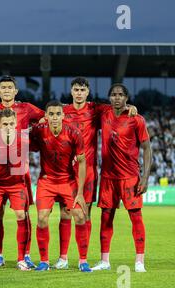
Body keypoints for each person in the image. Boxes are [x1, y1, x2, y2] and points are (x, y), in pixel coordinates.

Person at [54, 77, 138, 270]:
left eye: (82, 90)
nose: (79, 93)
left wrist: (130, 106)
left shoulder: (96, 110)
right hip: (66, 170)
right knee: (65, 213)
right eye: (76, 89)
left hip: (88, 170)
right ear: (71, 91)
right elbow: (49, 118)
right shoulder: (63, 111)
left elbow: (117, 107)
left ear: (88, 92)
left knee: (85, 214)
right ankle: (63, 258)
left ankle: (83, 258)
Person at [0, 75, 45, 268]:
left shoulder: (26, 108)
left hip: (19, 170)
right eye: (3, 87)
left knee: (23, 213)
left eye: (10, 87)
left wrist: (34, 129)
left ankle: (26, 254)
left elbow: (46, 116)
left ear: (15, 91)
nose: (6, 90)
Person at [92, 84, 152, 272]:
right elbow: (83, 106)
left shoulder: (137, 119)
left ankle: (139, 261)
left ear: (126, 97)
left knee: (136, 217)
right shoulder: (103, 114)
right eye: (113, 95)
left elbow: (147, 148)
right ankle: (104, 260)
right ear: (109, 98)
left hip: (130, 177)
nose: (117, 98)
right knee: (106, 218)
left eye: (120, 95)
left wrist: (145, 177)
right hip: (108, 178)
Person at [30, 100, 92, 272]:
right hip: (47, 181)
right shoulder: (39, 130)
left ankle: (83, 261)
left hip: (68, 181)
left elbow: (82, 162)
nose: (55, 117)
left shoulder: (73, 132)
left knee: (79, 216)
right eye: (51, 114)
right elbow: (24, 138)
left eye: (58, 114)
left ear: (63, 116)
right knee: (42, 218)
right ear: (46, 116)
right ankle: (44, 261)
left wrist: (80, 192)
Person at [0, 108, 31, 271]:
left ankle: (21, 259)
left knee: (21, 214)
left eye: (11, 123)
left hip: (16, 183)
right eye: (5, 124)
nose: (8, 127)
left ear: (16, 123)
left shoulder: (23, 140)